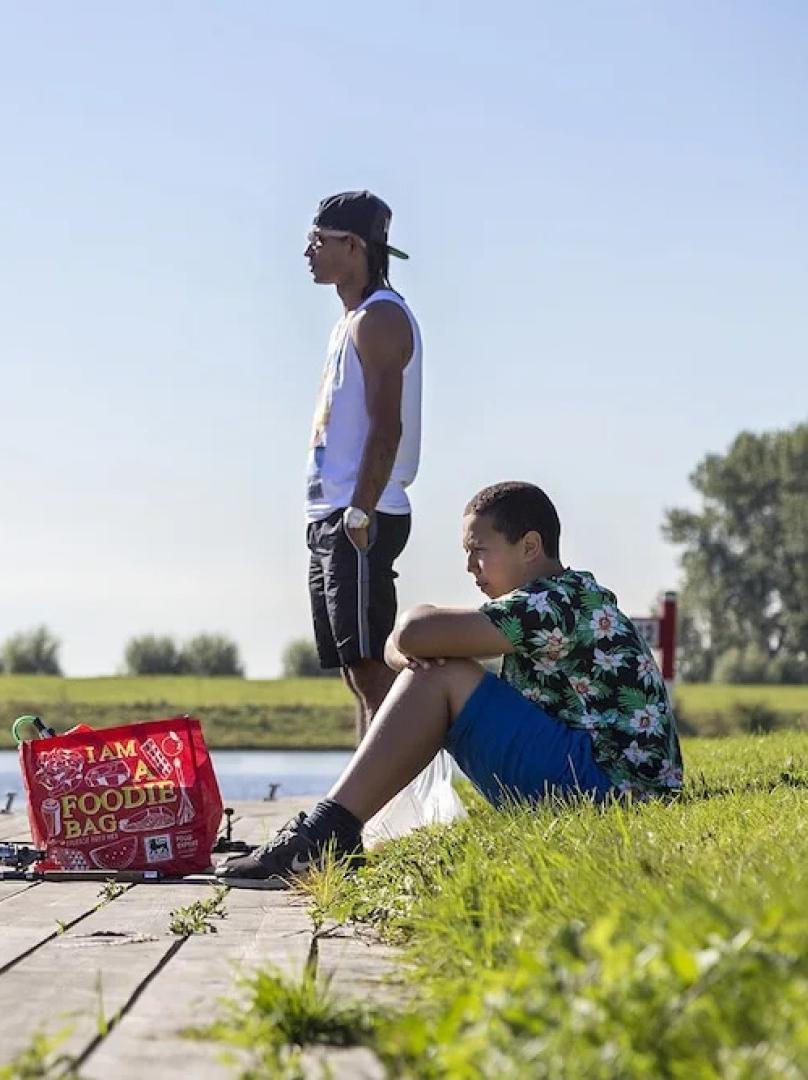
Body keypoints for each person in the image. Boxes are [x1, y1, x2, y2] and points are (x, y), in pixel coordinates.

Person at [220, 481, 685, 889]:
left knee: (445, 675)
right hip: (609, 782)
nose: (469, 566)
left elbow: (411, 633)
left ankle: (326, 833)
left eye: (479, 549)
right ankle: (329, 831)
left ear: (529, 546)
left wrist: (418, 649)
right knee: (439, 670)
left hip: (610, 792)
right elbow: (398, 646)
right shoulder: (564, 595)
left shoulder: (549, 606)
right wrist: (415, 653)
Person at [302, 191, 424, 739]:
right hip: (333, 515)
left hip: (362, 515)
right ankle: (365, 805)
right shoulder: (349, 321)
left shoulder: (381, 319)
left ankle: (396, 807)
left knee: (374, 668)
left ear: (353, 246)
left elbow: (387, 427)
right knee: (356, 669)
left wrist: (359, 511)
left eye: (317, 240)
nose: (308, 251)